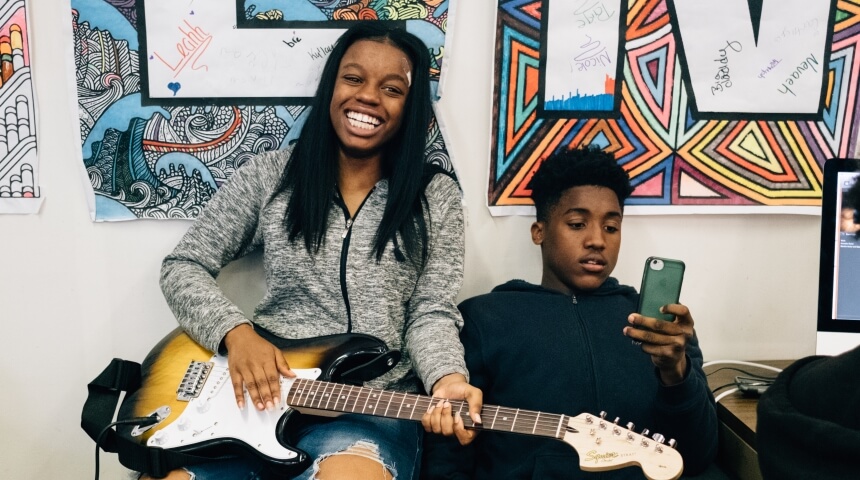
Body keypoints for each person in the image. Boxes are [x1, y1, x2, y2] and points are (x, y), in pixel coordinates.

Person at [150, 23, 481, 480]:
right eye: (353, 78)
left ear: (412, 106)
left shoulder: (435, 196)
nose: (367, 97)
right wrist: (238, 335)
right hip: (260, 400)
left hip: (370, 409)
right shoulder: (271, 175)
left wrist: (447, 378)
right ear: (331, 86)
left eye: (391, 88)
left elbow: (431, 310)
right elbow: (182, 266)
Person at [422, 146, 719, 479]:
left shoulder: (660, 328)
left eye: (611, 227)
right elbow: (449, 453)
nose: (596, 240)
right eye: (577, 224)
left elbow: (697, 456)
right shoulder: (484, 318)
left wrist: (676, 373)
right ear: (540, 232)